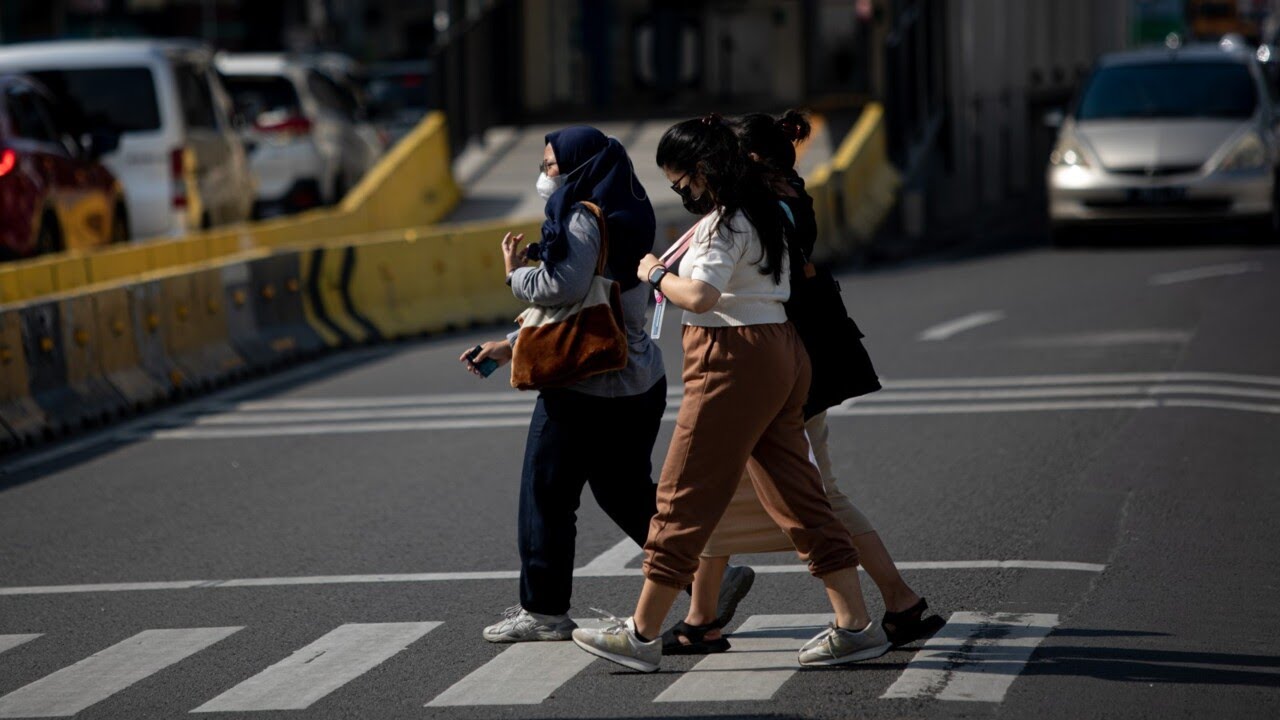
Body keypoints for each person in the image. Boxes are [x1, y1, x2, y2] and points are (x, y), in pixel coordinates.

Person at [570, 114, 889, 672]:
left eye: (681, 181)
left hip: (731, 357)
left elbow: (698, 294)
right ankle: (855, 623)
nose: (681, 192)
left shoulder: (726, 223)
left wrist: (653, 273)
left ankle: (641, 634)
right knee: (799, 495)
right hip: (779, 351)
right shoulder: (768, 209)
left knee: (679, 496)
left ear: (704, 170)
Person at [660, 110, 945, 656]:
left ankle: (897, 603)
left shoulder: (773, 210)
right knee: (717, 495)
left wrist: (660, 273)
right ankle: (700, 620)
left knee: (816, 497)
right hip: (770, 374)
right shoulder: (774, 201)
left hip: (777, 376)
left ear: (745, 161)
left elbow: (718, 290)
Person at [460, 126, 667, 643]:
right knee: (625, 492)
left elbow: (564, 287)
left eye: (551, 165)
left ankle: (546, 611)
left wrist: (513, 276)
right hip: (635, 377)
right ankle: (707, 572)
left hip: (584, 385)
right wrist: (512, 343)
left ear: (579, 167)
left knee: (546, 493)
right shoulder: (627, 212)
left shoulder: (581, 215)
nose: (544, 174)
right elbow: (589, 309)